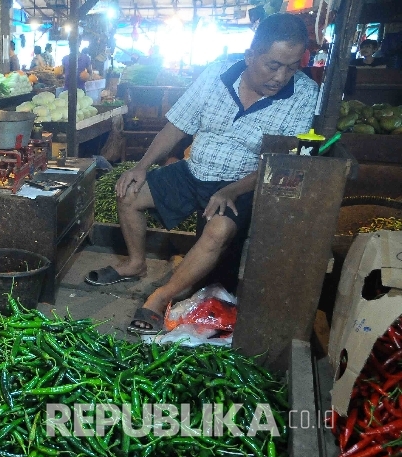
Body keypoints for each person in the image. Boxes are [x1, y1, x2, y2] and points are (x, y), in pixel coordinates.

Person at [84, 13, 317, 335]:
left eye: (292, 67)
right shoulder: (218, 72)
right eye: (274, 65)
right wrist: (142, 165)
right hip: (196, 169)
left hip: (244, 182)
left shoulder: (304, 94)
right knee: (129, 191)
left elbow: (282, 160)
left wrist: (232, 191)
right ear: (251, 56)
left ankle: (161, 295)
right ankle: (135, 263)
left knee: (219, 231)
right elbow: (178, 124)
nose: (281, 77)